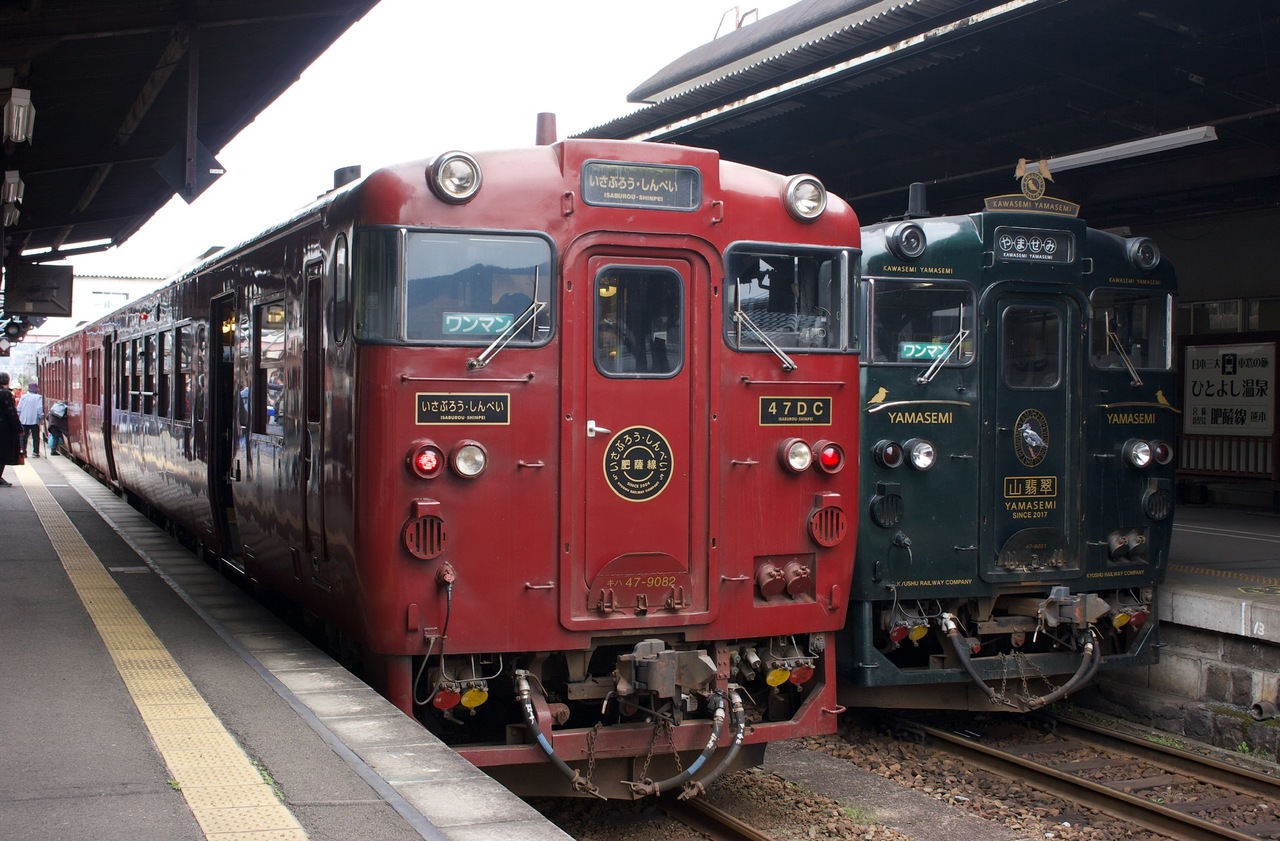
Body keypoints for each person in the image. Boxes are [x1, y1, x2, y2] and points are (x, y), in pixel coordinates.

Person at [0, 372, 21, 486]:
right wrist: (19, 429)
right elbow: (11, 413)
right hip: (4, 430)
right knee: (2, 454)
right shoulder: (6, 394)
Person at [17, 380, 44, 458]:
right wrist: (41, 417)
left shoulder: (23, 397)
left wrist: (19, 416)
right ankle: (35, 453)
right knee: (35, 437)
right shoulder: (38, 397)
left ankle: (24, 452)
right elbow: (39, 409)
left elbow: (19, 408)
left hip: (24, 420)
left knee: (23, 437)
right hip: (34, 420)